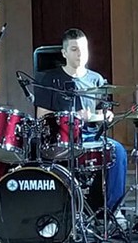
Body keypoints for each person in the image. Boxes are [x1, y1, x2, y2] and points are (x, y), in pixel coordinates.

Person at [34, 28, 128, 219]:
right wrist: (73, 116)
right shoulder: (50, 79)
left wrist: (105, 115)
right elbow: (41, 116)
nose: (80, 54)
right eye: (74, 49)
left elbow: (101, 111)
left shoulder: (96, 79)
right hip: (62, 137)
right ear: (64, 53)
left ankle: (112, 211)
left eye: (83, 49)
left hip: (91, 137)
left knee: (118, 151)